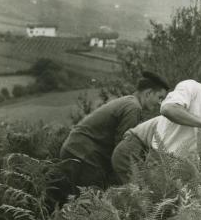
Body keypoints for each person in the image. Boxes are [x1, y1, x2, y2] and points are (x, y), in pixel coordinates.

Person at [110, 63, 201, 187]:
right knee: (143, 205)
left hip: (184, 170)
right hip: (159, 159)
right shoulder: (192, 88)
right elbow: (168, 108)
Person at [51, 71, 169, 204]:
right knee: (89, 204)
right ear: (148, 93)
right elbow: (121, 149)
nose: (160, 103)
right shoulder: (133, 108)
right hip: (84, 155)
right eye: (160, 97)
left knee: (74, 203)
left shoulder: (128, 102)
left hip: (76, 151)